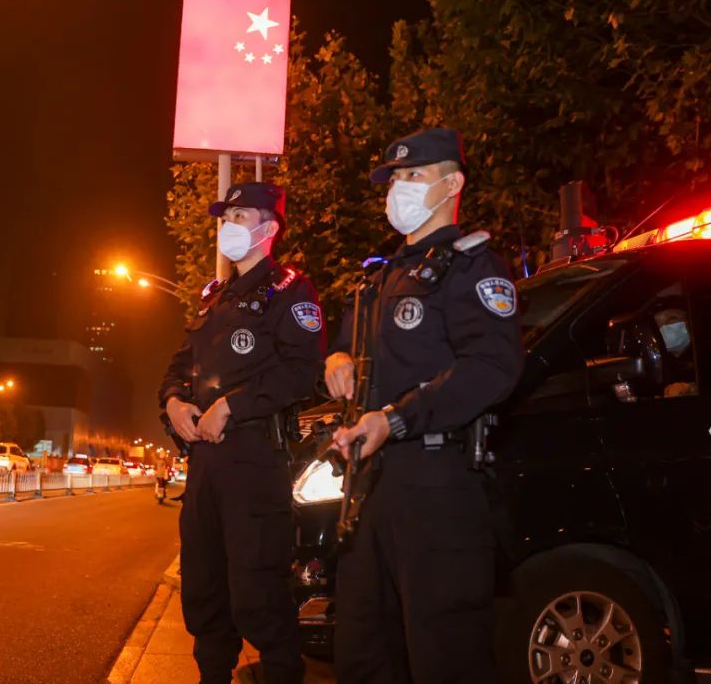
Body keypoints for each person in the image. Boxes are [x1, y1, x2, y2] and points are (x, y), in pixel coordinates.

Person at [325, 128, 522, 683]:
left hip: (439, 489)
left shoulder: (474, 269)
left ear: (452, 183)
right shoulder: (380, 279)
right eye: (394, 179)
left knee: (445, 656)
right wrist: (334, 359)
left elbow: (493, 368)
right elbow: (349, 349)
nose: (398, 189)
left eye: (414, 175)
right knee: (364, 651)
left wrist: (396, 419)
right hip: (368, 488)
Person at [159, 181, 326, 684]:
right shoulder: (213, 298)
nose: (228, 226)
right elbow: (177, 366)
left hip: (255, 460)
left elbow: (303, 370)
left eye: (241, 216)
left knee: (257, 595)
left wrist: (231, 406)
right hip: (205, 466)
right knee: (204, 591)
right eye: (225, 217)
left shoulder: (291, 289)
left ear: (268, 229)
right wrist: (173, 404)